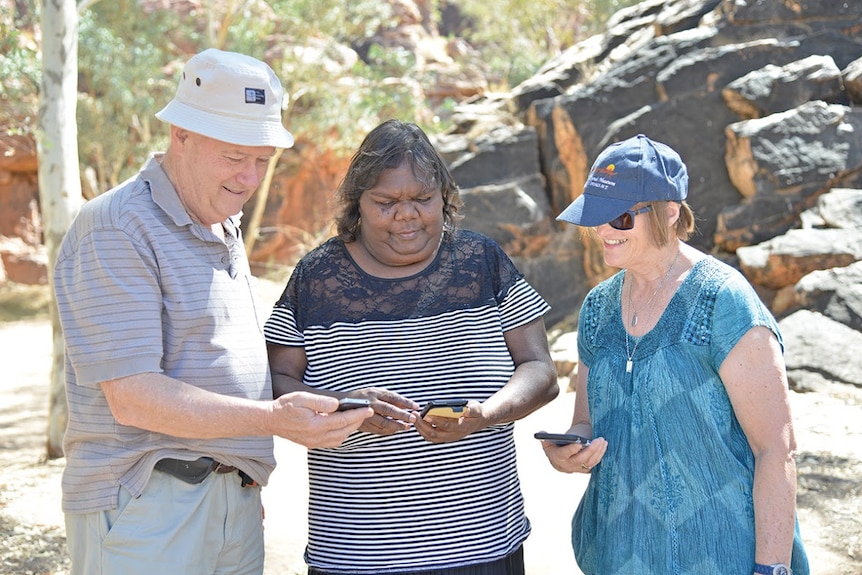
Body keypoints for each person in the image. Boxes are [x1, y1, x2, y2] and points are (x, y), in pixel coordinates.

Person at [53, 49, 372, 575]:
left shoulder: (221, 223)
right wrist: (273, 421)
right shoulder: (115, 226)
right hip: (149, 504)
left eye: (262, 160)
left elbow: (220, 365)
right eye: (233, 157)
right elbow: (134, 398)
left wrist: (328, 408)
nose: (248, 178)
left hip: (228, 499)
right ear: (181, 134)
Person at [264, 119, 560, 575]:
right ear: (357, 204)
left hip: (484, 550)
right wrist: (344, 406)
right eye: (386, 203)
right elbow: (277, 383)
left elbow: (540, 370)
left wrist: (490, 412)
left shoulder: (482, 262)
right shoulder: (316, 277)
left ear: (444, 195)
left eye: (423, 199)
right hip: (357, 555)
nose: (407, 215)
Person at [539, 134, 809, 575]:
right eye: (596, 216)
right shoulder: (597, 309)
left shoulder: (724, 300)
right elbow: (587, 422)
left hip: (724, 558)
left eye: (621, 217)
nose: (604, 230)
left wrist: (772, 569)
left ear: (669, 213)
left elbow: (777, 451)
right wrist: (572, 450)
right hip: (615, 555)